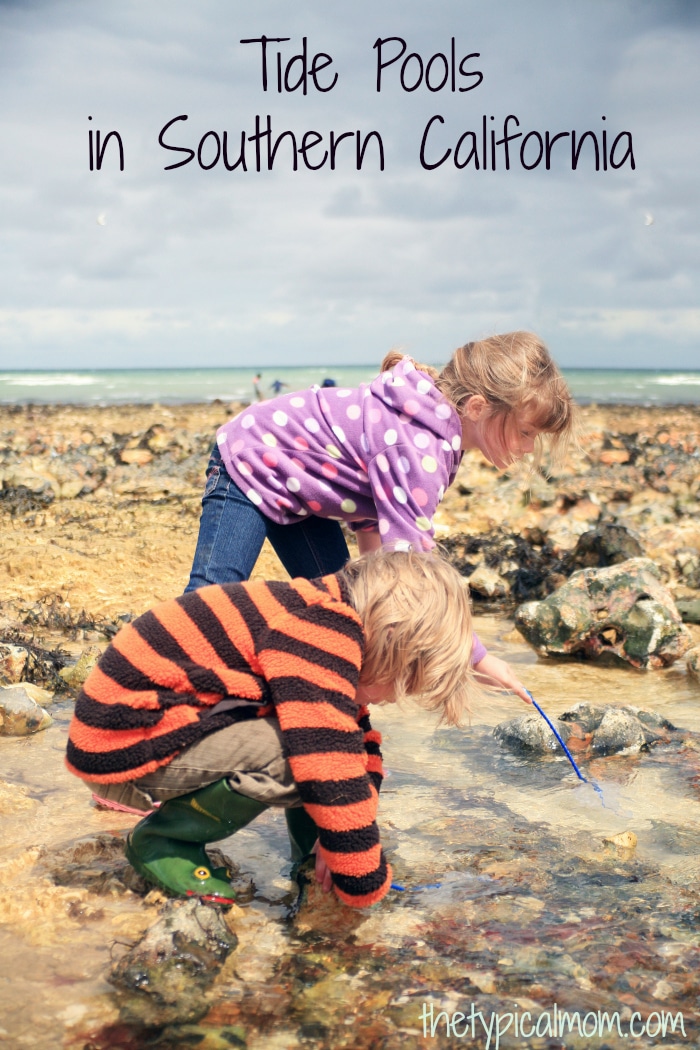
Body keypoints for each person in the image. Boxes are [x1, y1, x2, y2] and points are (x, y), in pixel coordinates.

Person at [66, 550, 480, 908]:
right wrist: (363, 880)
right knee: (299, 754)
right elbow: (328, 761)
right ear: (392, 638)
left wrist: (338, 841)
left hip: (145, 733)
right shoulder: (321, 629)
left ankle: (308, 856)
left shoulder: (328, 614)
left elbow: (357, 739)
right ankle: (164, 840)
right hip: (122, 749)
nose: (393, 698)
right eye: (403, 679)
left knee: (318, 740)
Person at [185, 332, 576, 701]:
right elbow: (414, 570)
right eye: (526, 432)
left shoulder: (430, 425)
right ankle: (164, 703)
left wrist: (373, 604)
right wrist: (475, 656)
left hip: (305, 491)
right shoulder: (420, 446)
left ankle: (321, 713)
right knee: (210, 602)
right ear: (477, 407)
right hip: (251, 458)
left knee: (342, 615)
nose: (528, 448)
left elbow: (379, 534)